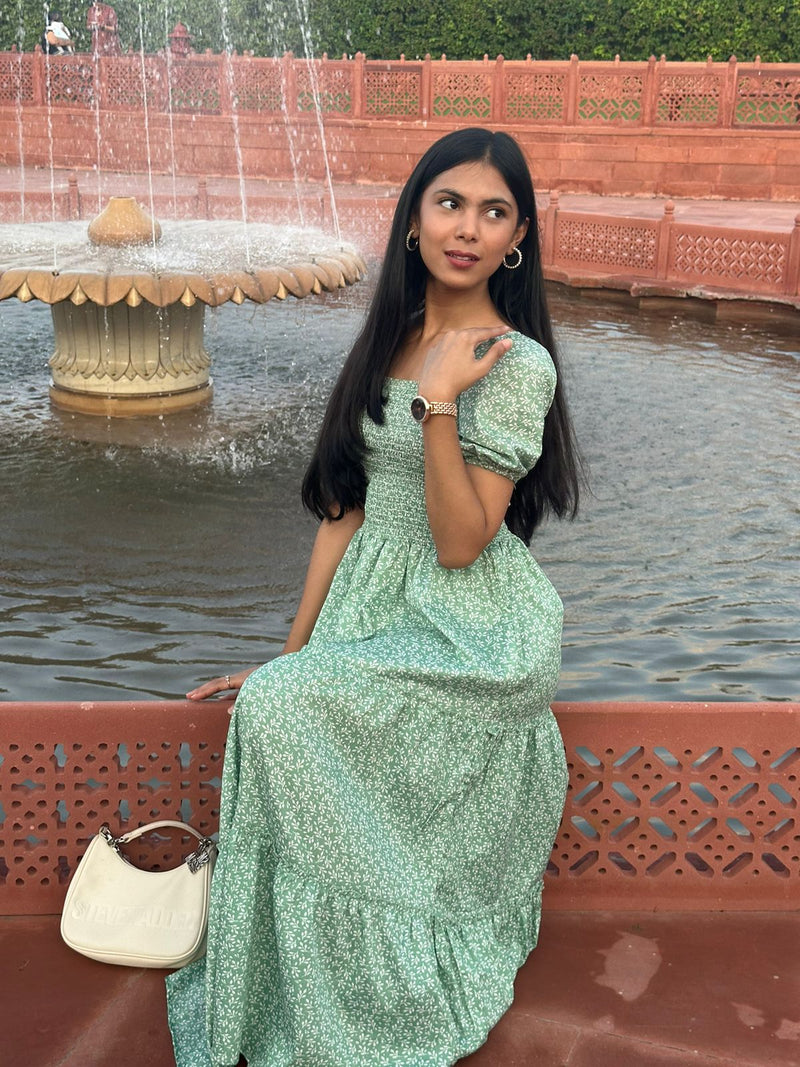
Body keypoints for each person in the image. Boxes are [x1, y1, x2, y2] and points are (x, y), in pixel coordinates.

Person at [166, 126, 582, 1066]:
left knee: (287, 714)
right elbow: (344, 511)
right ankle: (295, 979)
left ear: (517, 236)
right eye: (449, 202)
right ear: (413, 219)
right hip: (376, 598)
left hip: (470, 619)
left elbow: (464, 540)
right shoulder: (386, 337)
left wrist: (438, 404)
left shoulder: (518, 365)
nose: (467, 228)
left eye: (493, 211)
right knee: (280, 700)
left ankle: (382, 977)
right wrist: (294, 647)